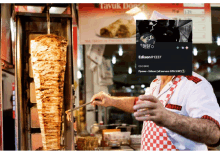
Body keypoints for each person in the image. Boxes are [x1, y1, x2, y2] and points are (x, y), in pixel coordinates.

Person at [91, 72, 220, 150]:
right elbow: (138, 103)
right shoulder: (155, 83)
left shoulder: (195, 84)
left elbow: (214, 133)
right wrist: (110, 101)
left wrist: (167, 118)